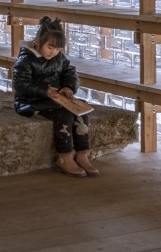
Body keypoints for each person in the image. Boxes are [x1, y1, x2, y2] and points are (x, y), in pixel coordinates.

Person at [12, 16, 98, 177]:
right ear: (37, 41)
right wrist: (44, 91)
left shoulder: (59, 58)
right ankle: (65, 157)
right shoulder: (25, 60)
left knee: (81, 111)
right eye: (50, 47)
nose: (53, 52)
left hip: (55, 99)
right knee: (64, 114)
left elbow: (70, 72)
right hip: (31, 101)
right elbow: (20, 85)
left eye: (58, 49)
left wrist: (68, 87)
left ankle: (82, 154)